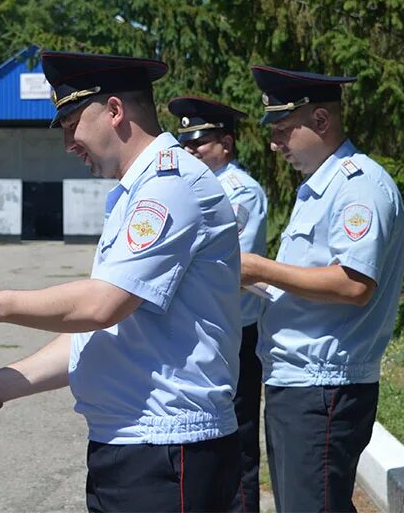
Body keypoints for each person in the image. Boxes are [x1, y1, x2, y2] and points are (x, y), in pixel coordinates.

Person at [0, 51, 243, 512]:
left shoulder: (169, 185)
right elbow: (99, 334)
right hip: (131, 448)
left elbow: (102, 306)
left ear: (115, 111)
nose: (67, 143)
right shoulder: (135, 192)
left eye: (70, 123)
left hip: (168, 452)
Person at [240, 65, 404, 512]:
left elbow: (354, 284)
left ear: (320, 121)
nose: (275, 144)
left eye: (282, 130)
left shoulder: (358, 187)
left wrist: (259, 267)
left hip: (323, 387)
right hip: (300, 383)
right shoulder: (322, 188)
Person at [169, 96, 267, 513]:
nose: (191, 151)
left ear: (225, 144)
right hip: (206, 328)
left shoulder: (239, 190)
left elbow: (233, 265)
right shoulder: (193, 186)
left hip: (236, 333)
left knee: (238, 437)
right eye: (186, 144)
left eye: (200, 144)